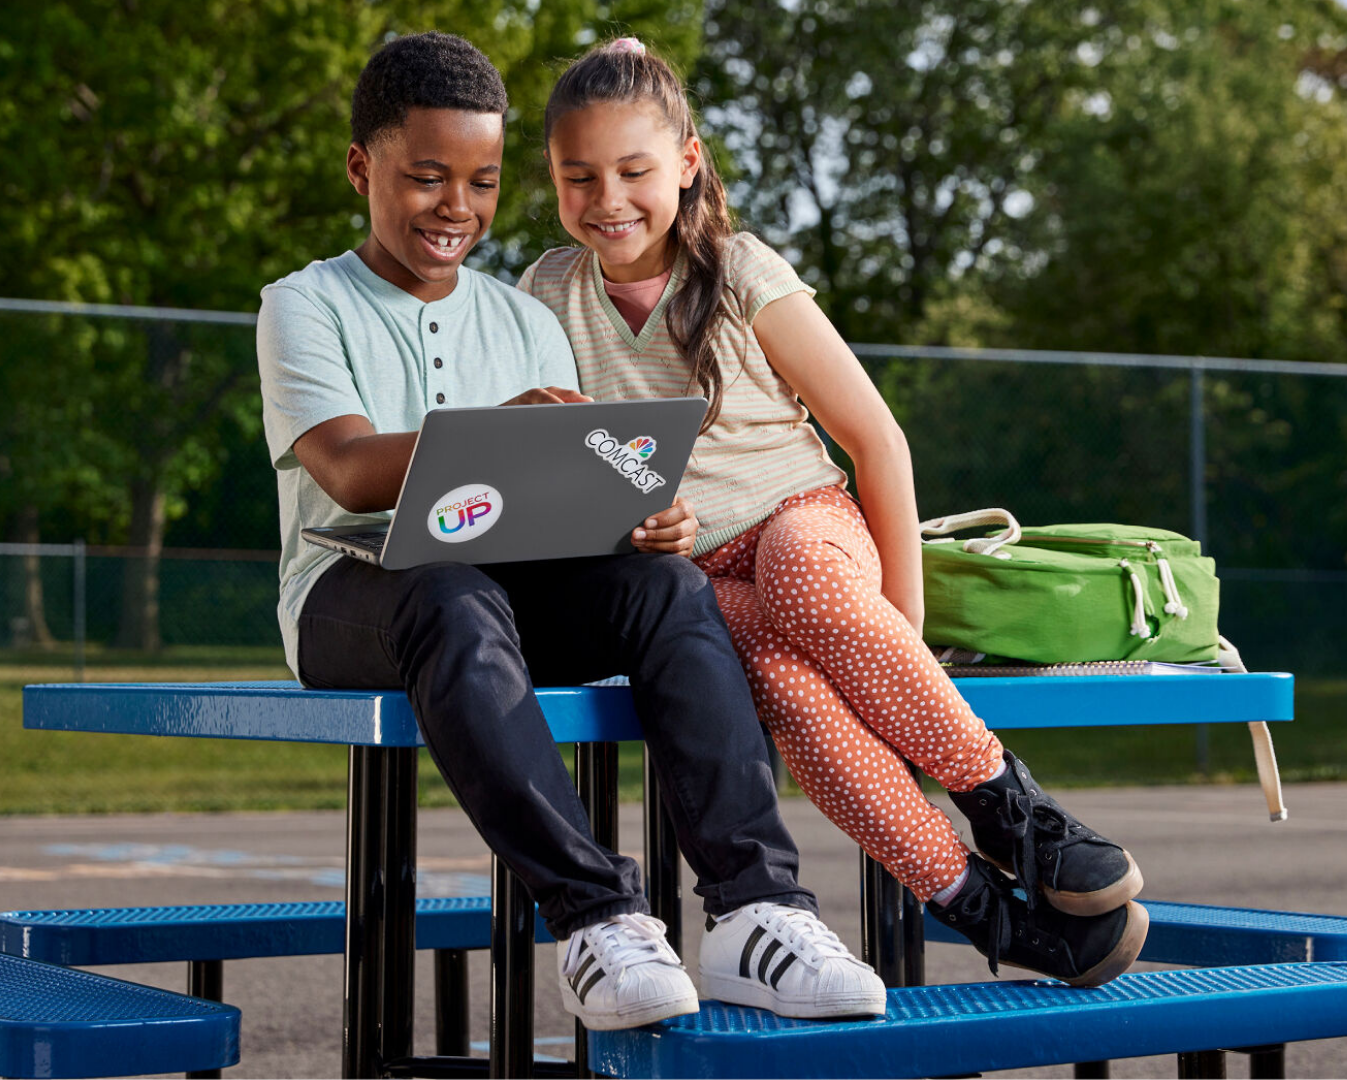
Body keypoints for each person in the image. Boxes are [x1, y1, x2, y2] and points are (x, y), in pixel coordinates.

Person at [255, 32, 884, 1029]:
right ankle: (598, 919)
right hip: (352, 598)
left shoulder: (524, 316)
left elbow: (584, 478)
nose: (455, 207)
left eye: (483, 181)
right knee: (449, 594)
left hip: (497, 590)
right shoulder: (305, 305)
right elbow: (345, 466)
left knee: (667, 590)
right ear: (360, 167)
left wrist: (646, 514)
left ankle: (757, 913)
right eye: (425, 178)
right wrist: (495, 431)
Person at [520, 38, 1149, 988]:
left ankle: (1021, 817)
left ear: (687, 163)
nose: (608, 197)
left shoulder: (738, 271)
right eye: (580, 176)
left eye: (634, 170)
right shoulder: (544, 294)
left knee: (809, 587)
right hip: (685, 577)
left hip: (800, 522)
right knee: (798, 704)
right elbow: (567, 475)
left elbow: (877, 441)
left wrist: (904, 635)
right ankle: (987, 914)